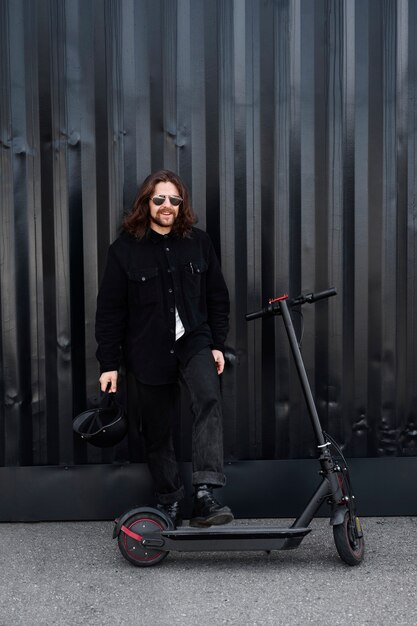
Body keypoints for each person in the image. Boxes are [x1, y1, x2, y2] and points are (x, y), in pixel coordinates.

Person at [95, 169, 233, 528]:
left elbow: (217, 297)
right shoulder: (124, 250)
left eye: (174, 199)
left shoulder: (199, 243)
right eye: (159, 199)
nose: (167, 205)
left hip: (195, 340)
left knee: (208, 398)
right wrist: (108, 363)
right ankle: (170, 501)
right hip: (147, 349)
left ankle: (205, 494)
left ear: (181, 204)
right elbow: (110, 310)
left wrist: (218, 343)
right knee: (156, 428)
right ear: (146, 203)